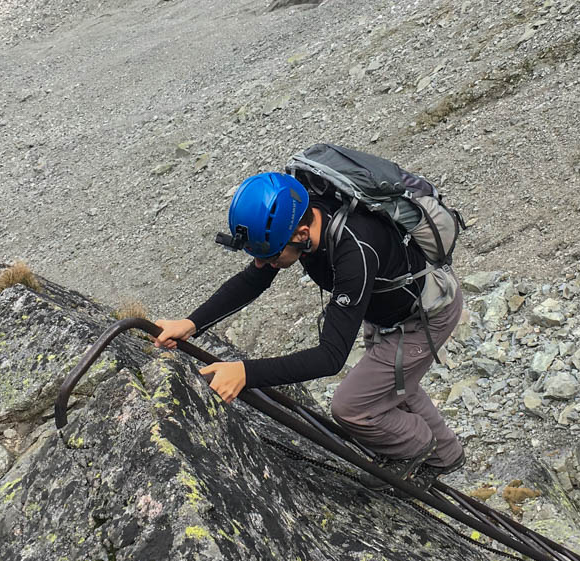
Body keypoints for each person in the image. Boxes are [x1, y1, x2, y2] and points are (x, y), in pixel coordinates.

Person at [153, 170, 465, 485]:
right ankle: (446, 455)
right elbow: (254, 279)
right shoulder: (300, 217)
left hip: (424, 316)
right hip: (390, 310)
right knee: (391, 383)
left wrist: (246, 373)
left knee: (351, 407)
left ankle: (417, 449)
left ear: (303, 234)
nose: (264, 264)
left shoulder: (354, 250)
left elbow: (330, 357)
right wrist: (192, 324)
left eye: (272, 255)